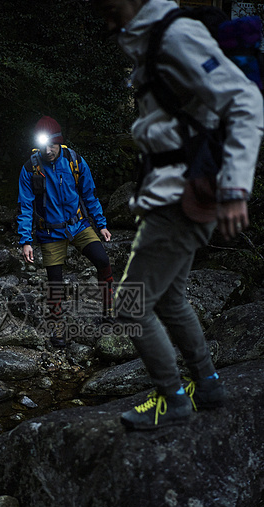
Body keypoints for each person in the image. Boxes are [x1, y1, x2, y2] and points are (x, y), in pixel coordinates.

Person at [93, 0, 264, 429]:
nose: (101, 16)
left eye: (106, 5)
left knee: (130, 305)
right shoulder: (150, 39)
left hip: (181, 198)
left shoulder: (175, 36)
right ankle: (207, 383)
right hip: (171, 193)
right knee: (169, 299)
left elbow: (245, 101)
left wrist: (235, 189)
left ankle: (172, 398)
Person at [17, 115, 113, 347]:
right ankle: (58, 327)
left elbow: (89, 194)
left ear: (60, 142)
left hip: (78, 225)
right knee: (55, 282)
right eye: (44, 146)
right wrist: (25, 240)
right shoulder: (31, 169)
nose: (48, 150)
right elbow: (25, 205)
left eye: (52, 145)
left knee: (103, 260)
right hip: (50, 232)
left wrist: (101, 224)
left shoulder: (75, 161)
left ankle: (109, 311)